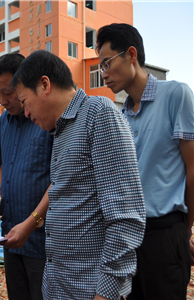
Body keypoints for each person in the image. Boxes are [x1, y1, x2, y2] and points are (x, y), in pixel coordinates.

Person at [11, 49, 146, 300]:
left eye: (25, 102)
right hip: (58, 285)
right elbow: (63, 189)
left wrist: (105, 293)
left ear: (44, 85)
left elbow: (126, 217)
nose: (26, 113)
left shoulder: (98, 114)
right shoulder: (61, 131)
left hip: (87, 289)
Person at [96, 23, 194, 300]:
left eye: (106, 63)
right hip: (128, 238)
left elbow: (193, 168)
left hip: (165, 232)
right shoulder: (121, 118)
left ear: (131, 54)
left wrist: (184, 230)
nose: (103, 74)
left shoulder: (176, 95)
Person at [0, 53, 52, 300]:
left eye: (8, 92)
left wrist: (33, 218)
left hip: (42, 239)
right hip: (11, 233)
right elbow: (0, 164)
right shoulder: (2, 123)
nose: (2, 100)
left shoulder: (46, 120)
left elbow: (59, 178)